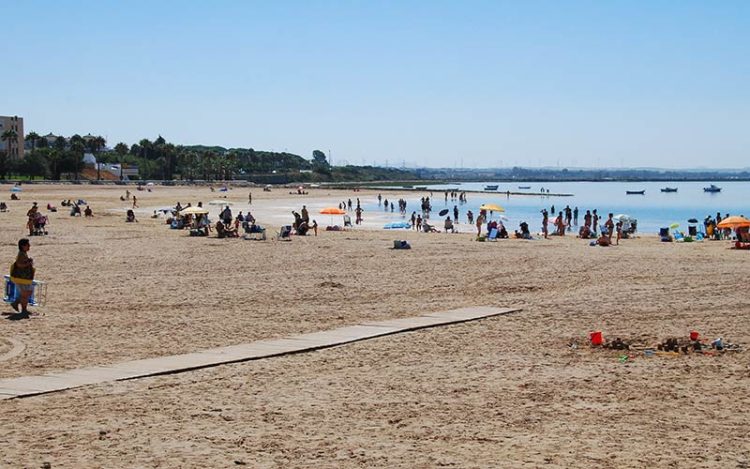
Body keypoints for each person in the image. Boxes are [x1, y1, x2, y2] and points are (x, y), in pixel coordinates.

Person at [10, 238, 35, 317]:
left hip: (24, 278)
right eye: (27, 245)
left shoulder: (23, 253)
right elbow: (19, 264)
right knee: (25, 293)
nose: (29, 246)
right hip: (21, 278)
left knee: (27, 293)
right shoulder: (21, 254)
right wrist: (28, 263)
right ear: (22, 246)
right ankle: (20, 306)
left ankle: (22, 307)